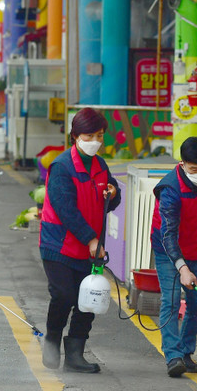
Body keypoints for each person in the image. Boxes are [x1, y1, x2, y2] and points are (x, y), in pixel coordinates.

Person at [39, 107, 120, 373]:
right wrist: (91, 239)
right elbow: (66, 210)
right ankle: (52, 342)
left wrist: (113, 193)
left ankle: (75, 354)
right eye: (89, 136)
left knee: (89, 298)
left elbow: (109, 200)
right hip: (59, 244)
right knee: (64, 295)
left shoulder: (100, 165)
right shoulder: (62, 166)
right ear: (75, 136)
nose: (95, 141)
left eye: (100, 135)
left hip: (89, 247)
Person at [151, 136, 197, 378]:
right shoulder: (170, 189)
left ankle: (186, 351)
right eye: (194, 169)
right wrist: (182, 268)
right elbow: (168, 234)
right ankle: (173, 357)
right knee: (171, 302)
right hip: (168, 249)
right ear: (182, 164)